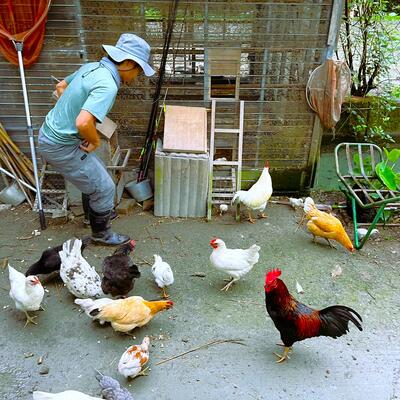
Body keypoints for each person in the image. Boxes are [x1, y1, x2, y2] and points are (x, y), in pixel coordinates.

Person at [38, 33, 155, 245]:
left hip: (50, 134)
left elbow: (60, 87)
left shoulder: (91, 67)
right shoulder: (108, 84)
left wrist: (72, 111)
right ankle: (101, 234)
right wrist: (94, 141)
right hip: (60, 145)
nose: (137, 76)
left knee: (97, 174)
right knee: (105, 187)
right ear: (128, 63)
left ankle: (96, 213)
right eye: (138, 70)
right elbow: (83, 123)